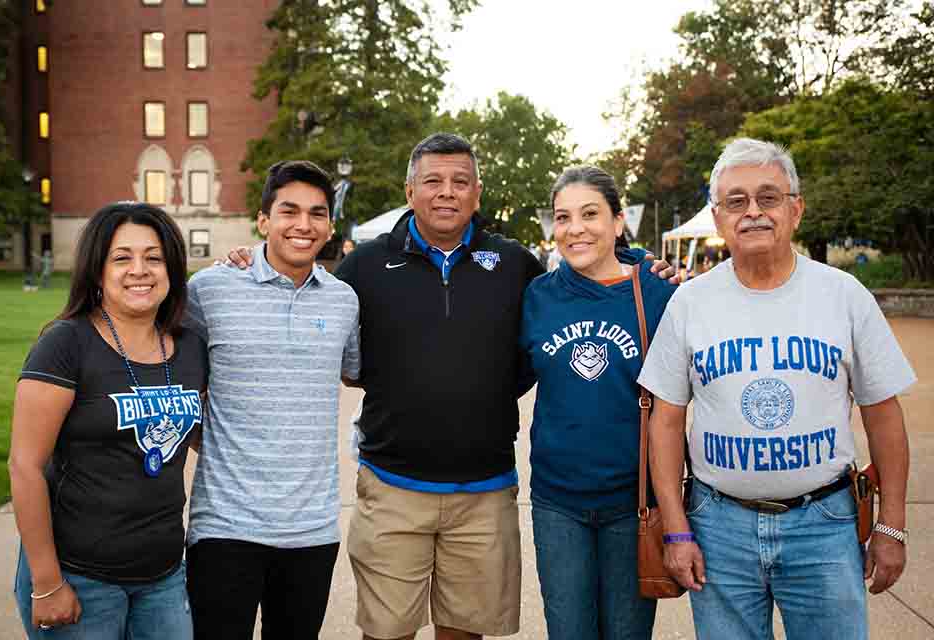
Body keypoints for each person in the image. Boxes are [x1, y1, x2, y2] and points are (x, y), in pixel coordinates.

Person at [224, 133, 676, 639]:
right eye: (432, 181)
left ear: (477, 193)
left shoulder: (514, 264)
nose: (446, 192)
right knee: (387, 632)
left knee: (464, 633)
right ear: (410, 190)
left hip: (483, 492)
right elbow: (307, 289)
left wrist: (642, 261)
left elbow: (586, 275)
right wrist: (249, 260)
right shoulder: (364, 266)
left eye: (460, 182)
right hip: (392, 487)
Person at [637, 138, 916, 640]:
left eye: (768, 197)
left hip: (825, 524)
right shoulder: (690, 303)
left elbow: (883, 414)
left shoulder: (844, 296)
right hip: (718, 528)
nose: (753, 213)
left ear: (796, 208)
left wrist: (891, 525)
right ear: (719, 218)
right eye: (736, 202)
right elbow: (666, 420)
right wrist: (676, 528)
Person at [9, 201, 207, 639]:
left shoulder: (190, 346)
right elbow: (24, 466)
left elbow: (197, 433)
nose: (140, 269)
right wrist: (47, 581)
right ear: (96, 271)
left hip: (164, 575)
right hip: (79, 575)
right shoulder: (66, 345)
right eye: (122, 258)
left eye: (154, 257)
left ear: (172, 268)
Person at [183, 160, 361, 639]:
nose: (303, 225)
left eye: (317, 213)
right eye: (289, 211)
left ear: (329, 226)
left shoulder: (344, 300)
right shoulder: (208, 290)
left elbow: (356, 373)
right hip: (225, 525)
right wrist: (214, 439)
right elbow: (170, 376)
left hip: (312, 528)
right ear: (263, 221)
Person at [519, 166, 676, 639]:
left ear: (617, 220)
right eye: (563, 218)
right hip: (557, 502)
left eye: (590, 214)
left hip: (634, 503)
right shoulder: (539, 297)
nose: (576, 228)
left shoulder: (657, 291)